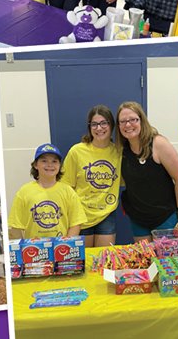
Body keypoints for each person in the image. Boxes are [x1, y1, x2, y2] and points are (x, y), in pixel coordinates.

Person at [116, 102, 178, 241]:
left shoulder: (158, 144)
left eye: (133, 119)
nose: (128, 125)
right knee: (145, 260)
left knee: (168, 261)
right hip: (138, 218)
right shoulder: (122, 149)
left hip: (165, 217)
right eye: (123, 121)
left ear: (142, 120)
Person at [61, 105, 122, 247]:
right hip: (81, 214)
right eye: (94, 124)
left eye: (103, 123)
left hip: (106, 214)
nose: (99, 128)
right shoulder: (76, 151)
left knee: (104, 260)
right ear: (89, 127)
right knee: (84, 261)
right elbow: (66, 186)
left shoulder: (119, 152)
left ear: (111, 125)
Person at [9, 143, 86, 239]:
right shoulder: (23, 192)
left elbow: (76, 223)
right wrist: (23, 248)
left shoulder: (68, 192)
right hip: (34, 250)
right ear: (36, 165)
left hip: (61, 248)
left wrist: (67, 244)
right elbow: (15, 227)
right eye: (44, 161)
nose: (50, 165)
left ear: (59, 165)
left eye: (54, 161)